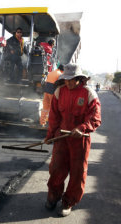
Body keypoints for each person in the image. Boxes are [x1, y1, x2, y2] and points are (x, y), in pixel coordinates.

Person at [44, 63, 101, 217]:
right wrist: (50, 135)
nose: (68, 83)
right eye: (66, 79)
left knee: (77, 172)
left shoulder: (89, 94)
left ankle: (68, 201)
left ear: (79, 79)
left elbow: (95, 118)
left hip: (80, 140)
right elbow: (54, 116)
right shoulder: (58, 92)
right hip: (61, 137)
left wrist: (82, 128)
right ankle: (53, 196)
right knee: (56, 169)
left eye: (72, 80)